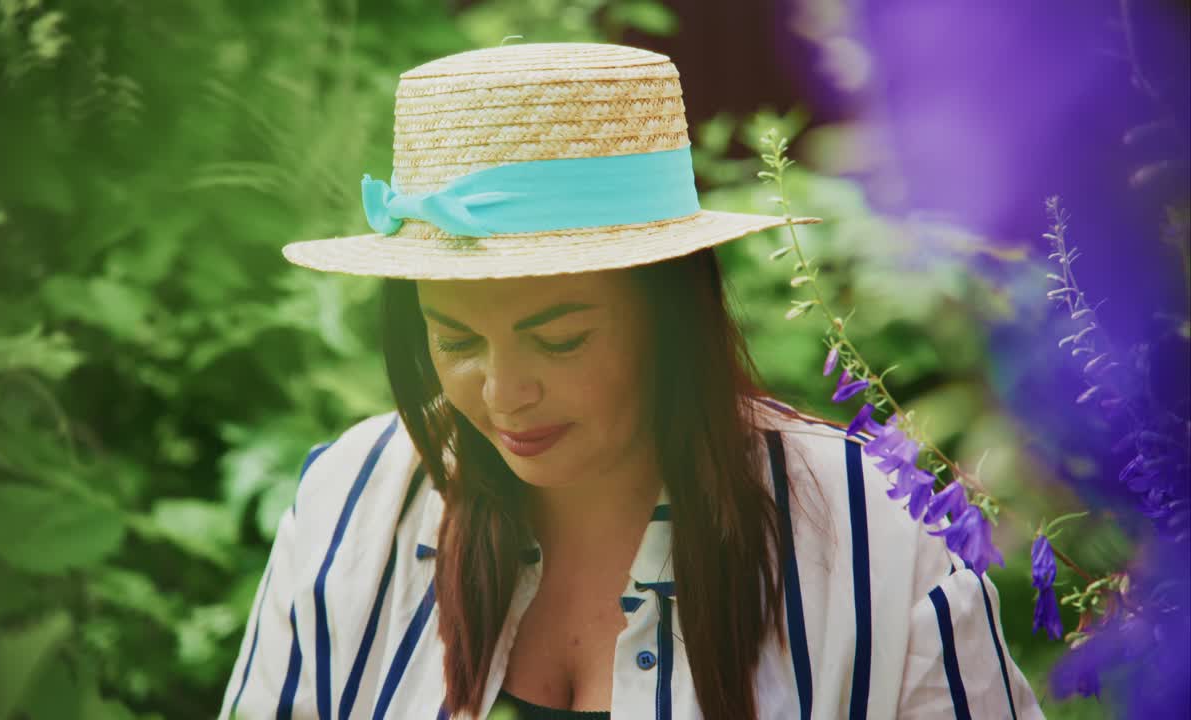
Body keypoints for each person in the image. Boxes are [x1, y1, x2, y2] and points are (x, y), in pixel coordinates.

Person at [218, 42, 1044, 720]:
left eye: (562, 339)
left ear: (672, 317)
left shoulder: (874, 535)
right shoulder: (351, 505)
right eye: (455, 339)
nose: (505, 394)